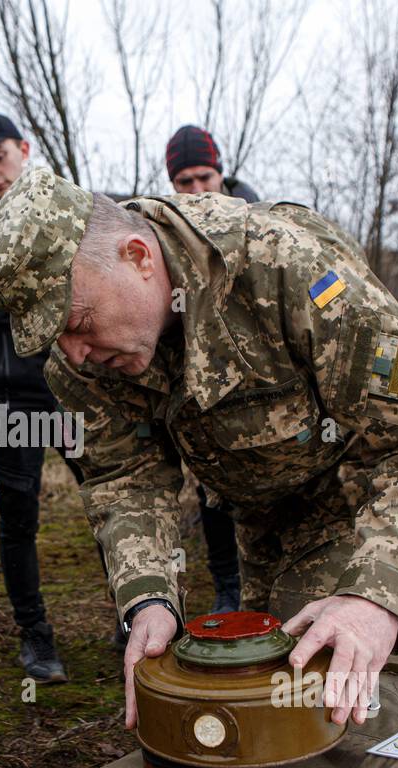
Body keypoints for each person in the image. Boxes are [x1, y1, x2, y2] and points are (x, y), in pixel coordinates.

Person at [0, 168, 398, 731]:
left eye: (78, 322)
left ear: (139, 257)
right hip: (259, 523)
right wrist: (149, 599)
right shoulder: (81, 357)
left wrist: (378, 596)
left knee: (341, 711)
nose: (74, 353)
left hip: (368, 509)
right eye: (55, 337)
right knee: (268, 711)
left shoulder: (283, 266)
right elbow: (124, 474)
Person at [0, 111, 113, 681]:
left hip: (79, 390)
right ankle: (36, 636)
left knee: (111, 500)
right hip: (13, 402)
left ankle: (137, 616)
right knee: (18, 514)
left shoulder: (67, 216)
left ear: (24, 148)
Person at [165, 125, 261, 613]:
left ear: (221, 173)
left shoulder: (260, 223)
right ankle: (227, 586)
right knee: (212, 489)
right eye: (184, 181)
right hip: (202, 385)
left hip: (260, 384)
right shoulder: (166, 241)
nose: (198, 190)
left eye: (204, 176)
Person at [165, 124, 261, 200]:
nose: (197, 191)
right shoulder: (158, 221)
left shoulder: (261, 218)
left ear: (220, 176)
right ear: (174, 185)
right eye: (185, 182)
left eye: (204, 178)